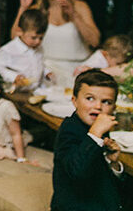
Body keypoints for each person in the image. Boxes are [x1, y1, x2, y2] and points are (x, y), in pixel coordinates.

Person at [11, 0, 100, 88]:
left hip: (78, 69)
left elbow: (95, 41)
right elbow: (16, 40)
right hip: (48, 69)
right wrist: (23, 8)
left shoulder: (80, 6)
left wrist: (74, 15)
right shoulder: (36, 9)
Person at [51, 70, 123, 211]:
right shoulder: (69, 129)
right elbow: (77, 172)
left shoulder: (98, 126)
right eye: (90, 98)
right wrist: (95, 133)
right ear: (74, 100)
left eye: (106, 102)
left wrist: (112, 162)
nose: (97, 106)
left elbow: (101, 178)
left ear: (114, 108)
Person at [0, 8, 49, 92]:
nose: (38, 41)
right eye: (33, 37)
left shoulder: (38, 47)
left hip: (34, 90)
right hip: (14, 91)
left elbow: (40, 63)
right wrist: (14, 77)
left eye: (41, 38)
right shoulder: (9, 50)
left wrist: (47, 73)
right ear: (19, 32)